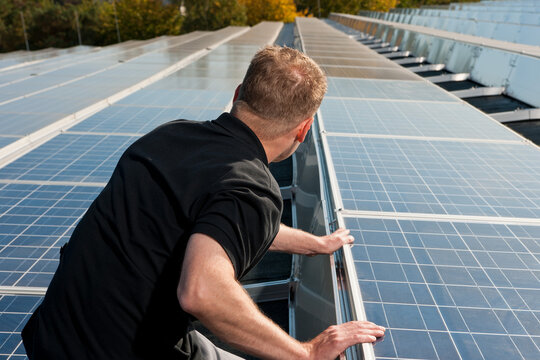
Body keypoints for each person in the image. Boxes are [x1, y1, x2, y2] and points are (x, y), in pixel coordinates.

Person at [22, 45, 384, 360]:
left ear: (239, 92)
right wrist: (304, 353)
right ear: (304, 129)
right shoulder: (253, 187)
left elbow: (217, 221)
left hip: (56, 330)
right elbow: (202, 292)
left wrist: (316, 245)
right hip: (121, 349)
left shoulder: (170, 136)